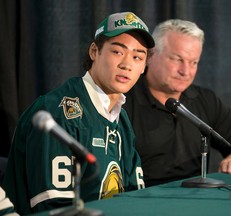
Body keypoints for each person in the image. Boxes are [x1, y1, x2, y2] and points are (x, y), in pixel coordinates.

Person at [3, 12, 155, 214]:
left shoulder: (121, 118)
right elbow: (53, 207)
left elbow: (134, 195)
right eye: (118, 52)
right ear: (94, 51)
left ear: (144, 67)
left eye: (137, 57)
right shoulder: (57, 112)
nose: (126, 65)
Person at [124, 19, 231, 187]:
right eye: (177, 59)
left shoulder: (204, 99)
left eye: (193, 62)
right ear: (151, 56)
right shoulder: (123, 100)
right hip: (142, 201)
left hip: (197, 199)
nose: (185, 71)